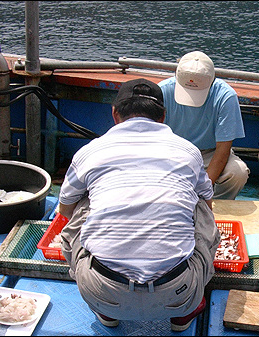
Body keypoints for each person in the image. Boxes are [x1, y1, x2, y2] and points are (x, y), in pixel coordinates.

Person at [58, 78, 220, 331]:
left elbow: (65, 211)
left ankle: (106, 312)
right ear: (163, 116)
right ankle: (183, 316)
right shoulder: (188, 151)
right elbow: (207, 203)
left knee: (83, 197)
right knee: (199, 198)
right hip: (180, 293)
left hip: (100, 291)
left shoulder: (89, 152)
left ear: (114, 114)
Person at [158, 51, 250, 200]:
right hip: (172, 151)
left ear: (212, 81)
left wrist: (202, 191)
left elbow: (223, 150)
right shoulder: (162, 91)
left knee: (237, 173)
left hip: (209, 153)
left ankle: (217, 205)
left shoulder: (226, 96)